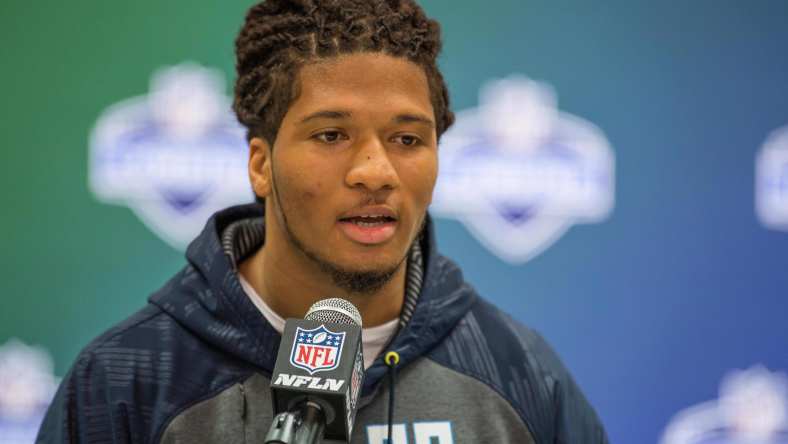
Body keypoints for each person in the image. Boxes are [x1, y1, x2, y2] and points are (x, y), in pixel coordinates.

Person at [37, 0, 608, 442]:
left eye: (407, 139)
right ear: (261, 164)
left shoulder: (519, 374)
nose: (375, 171)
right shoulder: (126, 383)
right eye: (331, 135)